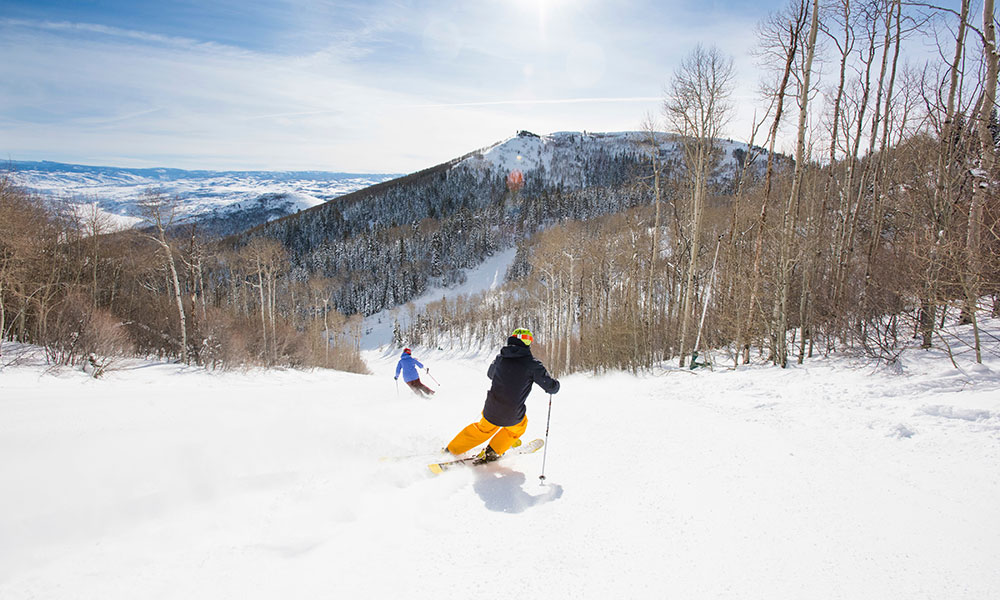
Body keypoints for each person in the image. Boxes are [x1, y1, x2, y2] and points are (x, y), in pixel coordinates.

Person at [445, 328, 559, 462]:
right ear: (526, 342)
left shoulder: (501, 358)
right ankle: (493, 451)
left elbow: (490, 374)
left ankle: (452, 449)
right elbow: (551, 388)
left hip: (491, 407)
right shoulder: (533, 364)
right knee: (518, 428)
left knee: (483, 429)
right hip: (513, 413)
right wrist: (555, 384)